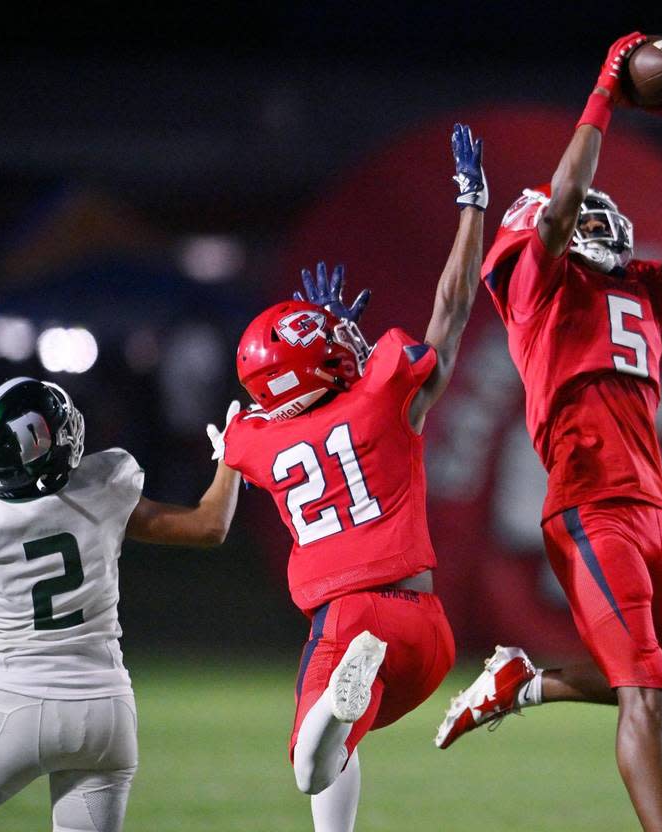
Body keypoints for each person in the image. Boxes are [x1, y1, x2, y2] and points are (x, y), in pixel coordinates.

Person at [433, 33, 662, 832]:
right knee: (645, 692)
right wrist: (605, 91)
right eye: (580, 212)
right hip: (589, 511)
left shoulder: (637, 288)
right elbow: (566, 196)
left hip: (656, 517)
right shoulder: (539, 293)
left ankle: (524, 682)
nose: (602, 215)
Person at [221, 123, 486, 832]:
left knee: (311, 761)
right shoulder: (383, 401)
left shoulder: (255, 442)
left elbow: (250, 428)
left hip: (348, 618)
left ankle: (339, 704)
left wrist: (302, 364)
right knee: (344, 735)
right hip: (427, 633)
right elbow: (451, 310)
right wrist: (471, 206)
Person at [0, 376, 242, 832]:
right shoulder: (103, 486)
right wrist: (233, 457)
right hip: (108, 714)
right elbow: (208, 525)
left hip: (19, 707)